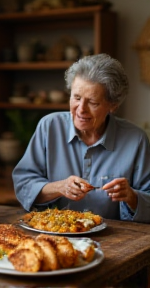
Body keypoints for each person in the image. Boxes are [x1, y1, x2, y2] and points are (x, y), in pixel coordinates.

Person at [12, 53, 150, 223]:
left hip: (116, 239)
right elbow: (23, 184)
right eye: (76, 98)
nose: (81, 109)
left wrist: (132, 197)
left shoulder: (136, 139)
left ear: (113, 105)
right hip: (56, 235)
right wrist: (59, 187)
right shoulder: (49, 127)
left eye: (92, 102)